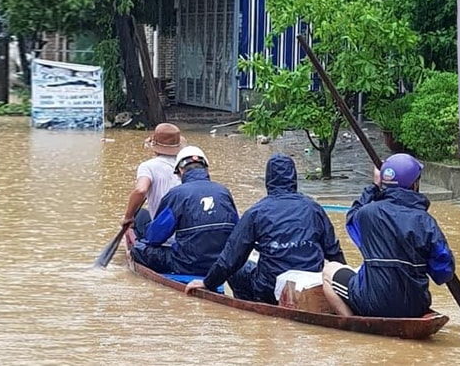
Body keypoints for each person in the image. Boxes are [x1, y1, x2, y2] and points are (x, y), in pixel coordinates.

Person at [185, 153, 346, 304]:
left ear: (268, 179)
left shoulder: (256, 212)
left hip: (269, 289)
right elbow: (333, 251)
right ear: (294, 178)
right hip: (309, 285)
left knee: (238, 270)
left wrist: (207, 283)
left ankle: (249, 308)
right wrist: (346, 286)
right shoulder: (314, 208)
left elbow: (231, 258)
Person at [322, 153, 455, 318]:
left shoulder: (366, 214)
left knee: (328, 271)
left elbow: (352, 218)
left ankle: (351, 321)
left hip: (372, 302)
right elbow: (443, 273)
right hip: (415, 306)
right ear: (415, 184)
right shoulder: (426, 222)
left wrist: (374, 187)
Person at [131, 146, 239, 276]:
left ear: (181, 171)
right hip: (222, 263)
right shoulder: (223, 191)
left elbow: (155, 237)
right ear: (205, 168)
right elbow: (237, 231)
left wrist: (142, 240)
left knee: (138, 249)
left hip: (186, 264)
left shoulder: (177, 194)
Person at [120, 123, 185, 239]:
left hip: (162, 236)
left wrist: (128, 218)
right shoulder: (186, 166)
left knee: (138, 215)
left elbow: (140, 190)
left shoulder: (148, 166)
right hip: (184, 235)